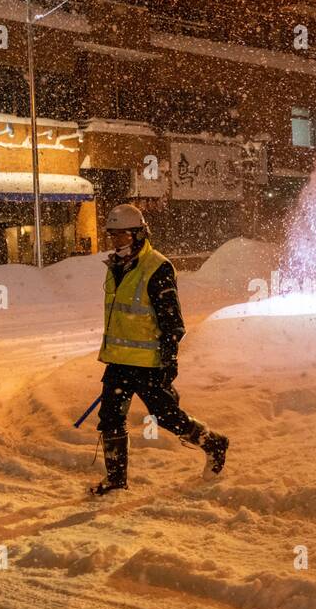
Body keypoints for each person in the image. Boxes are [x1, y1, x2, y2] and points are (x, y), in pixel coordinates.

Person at [92, 203, 228, 495]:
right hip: (118, 362)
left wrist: (169, 358)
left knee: (166, 417)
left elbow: (172, 321)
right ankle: (116, 481)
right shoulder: (114, 267)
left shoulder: (157, 267)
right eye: (113, 235)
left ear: (139, 234)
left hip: (150, 363)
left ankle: (214, 443)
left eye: (123, 235)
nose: (117, 241)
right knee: (110, 418)